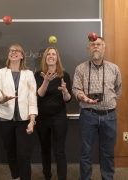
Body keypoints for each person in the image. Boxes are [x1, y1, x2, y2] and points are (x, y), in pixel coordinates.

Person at [72, 37, 122, 180]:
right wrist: (84, 98)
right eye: (92, 44)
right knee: (86, 152)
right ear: (88, 48)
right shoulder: (80, 68)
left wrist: (108, 102)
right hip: (88, 115)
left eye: (99, 44)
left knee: (107, 153)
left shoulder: (114, 68)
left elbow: (118, 90)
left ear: (104, 48)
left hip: (109, 116)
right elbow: (76, 89)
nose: (96, 47)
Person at [0, 44, 38, 180]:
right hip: (4, 119)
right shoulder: (1, 72)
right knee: (10, 152)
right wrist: (3, 99)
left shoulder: (29, 74)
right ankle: (15, 177)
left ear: (22, 55)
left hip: (24, 120)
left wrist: (32, 120)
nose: (13, 52)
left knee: (24, 154)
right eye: (11, 50)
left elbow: (32, 98)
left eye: (17, 51)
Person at [34, 46, 72, 180]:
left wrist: (64, 90)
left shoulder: (64, 75)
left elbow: (68, 99)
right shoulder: (38, 75)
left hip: (59, 118)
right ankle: (47, 176)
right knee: (45, 150)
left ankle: (62, 177)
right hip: (42, 118)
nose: (51, 56)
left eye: (53, 54)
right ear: (45, 58)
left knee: (59, 151)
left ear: (57, 58)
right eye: (48, 54)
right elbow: (39, 94)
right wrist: (46, 81)